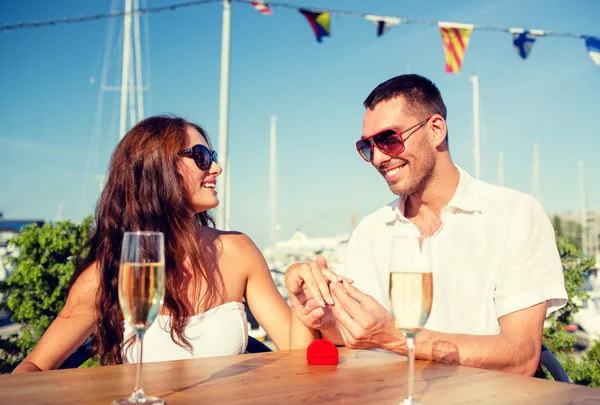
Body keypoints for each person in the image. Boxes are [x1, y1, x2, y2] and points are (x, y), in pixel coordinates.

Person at [285, 74, 568, 376]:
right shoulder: (371, 231)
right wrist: (323, 318)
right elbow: (364, 339)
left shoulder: (515, 215)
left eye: (388, 139)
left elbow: (521, 356)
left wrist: (398, 338)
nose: (378, 158)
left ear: (435, 129)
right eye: (367, 147)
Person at [13, 115, 293, 372]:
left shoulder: (238, 251)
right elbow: (35, 366)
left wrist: (306, 301)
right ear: (157, 169)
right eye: (202, 156)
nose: (217, 168)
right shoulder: (111, 272)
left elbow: (297, 349)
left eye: (212, 156)